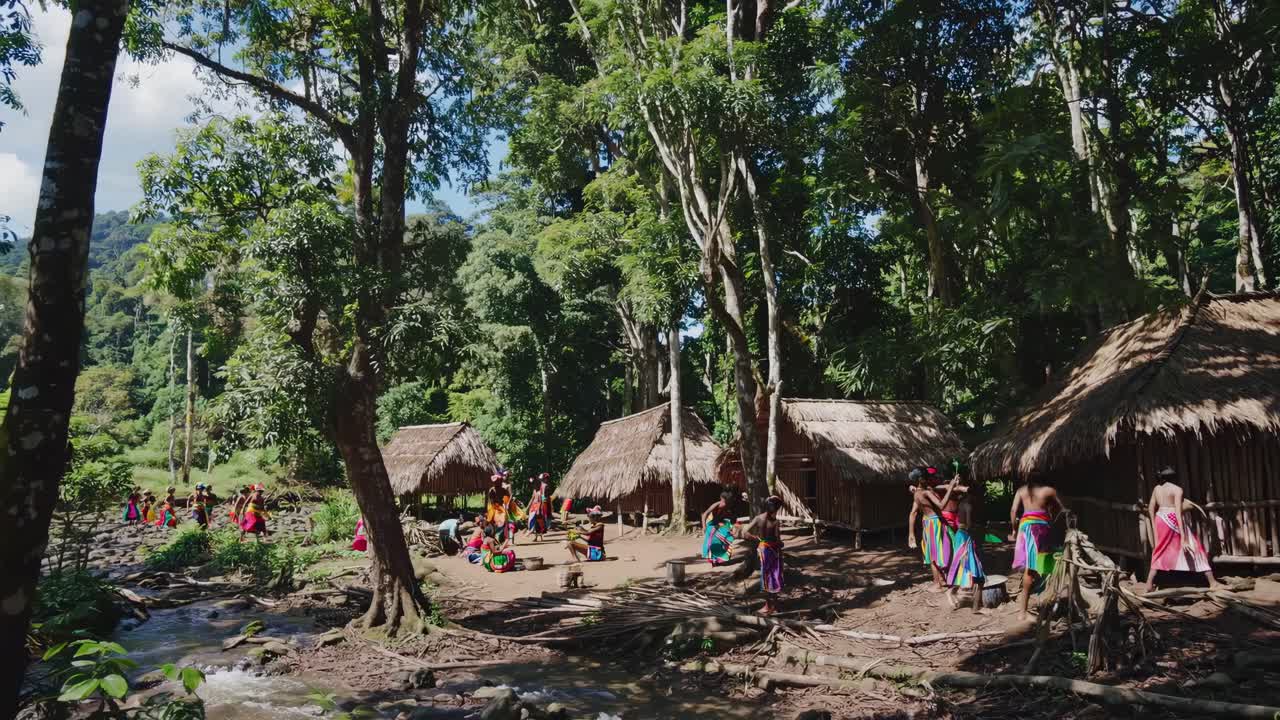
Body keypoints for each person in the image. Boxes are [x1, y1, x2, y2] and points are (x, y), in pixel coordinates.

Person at [1144, 467, 1223, 592]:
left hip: (1160, 518)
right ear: (1174, 478)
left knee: (1159, 550)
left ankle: (1149, 584)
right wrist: (1184, 538)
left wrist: (1155, 528)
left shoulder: (1156, 489)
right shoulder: (1177, 489)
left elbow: (1150, 508)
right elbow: (1177, 512)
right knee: (1195, 546)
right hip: (1172, 519)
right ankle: (1212, 582)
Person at [1009, 472, 1066, 621]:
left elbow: (1014, 511)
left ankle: (1041, 603)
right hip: (1038, 529)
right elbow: (1061, 508)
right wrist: (1052, 517)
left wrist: (1014, 529)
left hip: (1025, 527)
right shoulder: (1048, 491)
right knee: (1034, 567)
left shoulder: (1021, 491)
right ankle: (1023, 612)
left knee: (1034, 566)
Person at [941, 477, 986, 613]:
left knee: (964, 568)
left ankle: (955, 594)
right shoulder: (968, 505)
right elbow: (969, 525)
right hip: (964, 537)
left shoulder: (962, 503)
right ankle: (973, 606)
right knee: (970, 571)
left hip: (961, 536)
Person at [907, 466, 951, 590]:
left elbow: (913, 513)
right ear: (923, 479)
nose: (930, 479)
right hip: (934, 523)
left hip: (926, 523)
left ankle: (940, 580)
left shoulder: (917, 493)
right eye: (928, 477)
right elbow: (941, 505)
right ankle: (938, 583)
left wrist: (911, 534)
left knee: (932, 553)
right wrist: (951, 488)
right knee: (934, 554)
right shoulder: (926, 492)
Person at [741, 496, 785, 615]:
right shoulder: (775, 521)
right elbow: (778, 539)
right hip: (772, 550)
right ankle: (770, 605)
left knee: (768, 576)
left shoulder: (758, 518)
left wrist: (756, 538)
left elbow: (744, 532)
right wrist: (781, 544)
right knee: (773, 576)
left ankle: (771, 605)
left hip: (765, 549)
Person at [701, 490, 737, 566]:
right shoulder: (716, 505)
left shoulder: (728, 505)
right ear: (722, 498)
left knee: (728, 538)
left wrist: (730, 526)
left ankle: (721, 558)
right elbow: (704, 514)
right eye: (725, 500)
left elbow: (730, 518)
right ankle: (714, 560)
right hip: (712, 525)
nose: (726, 502)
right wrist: (704, 527)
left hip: (720, 524)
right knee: (714, 543)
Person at [527, 474, 552, 541]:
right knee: (533, 520)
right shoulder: (535, 489)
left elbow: (545, 498)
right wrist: (528, 507)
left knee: (539, 520)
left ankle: (539, 536)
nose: (534, 485)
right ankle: (535, 535)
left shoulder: (544, 487)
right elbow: (532, 498)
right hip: (534, 506)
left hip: (541, 506)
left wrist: (544, 505)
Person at [486, 473, 509, 540]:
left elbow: (506, 499)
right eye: (495, 482)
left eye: (498, 481)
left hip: (501, 507)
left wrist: (505, 506)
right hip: (494, 507)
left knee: (505, 519)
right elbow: (491, 501)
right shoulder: (492, 490)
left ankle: (504, 536)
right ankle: (492, 536)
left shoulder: (504, 490)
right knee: (491, 519)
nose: (497, 483)